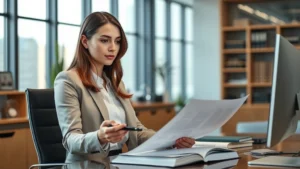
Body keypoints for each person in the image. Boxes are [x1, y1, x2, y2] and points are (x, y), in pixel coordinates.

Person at [54, 12, 195, 163]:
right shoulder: (68, 80)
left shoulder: (116, 83)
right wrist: (99, 137)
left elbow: (136, 133)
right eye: (104, 40)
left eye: (117, 41)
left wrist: (171, 140)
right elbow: (70, 140)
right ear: (85, 41)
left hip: (120, 163)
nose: (113, 48)